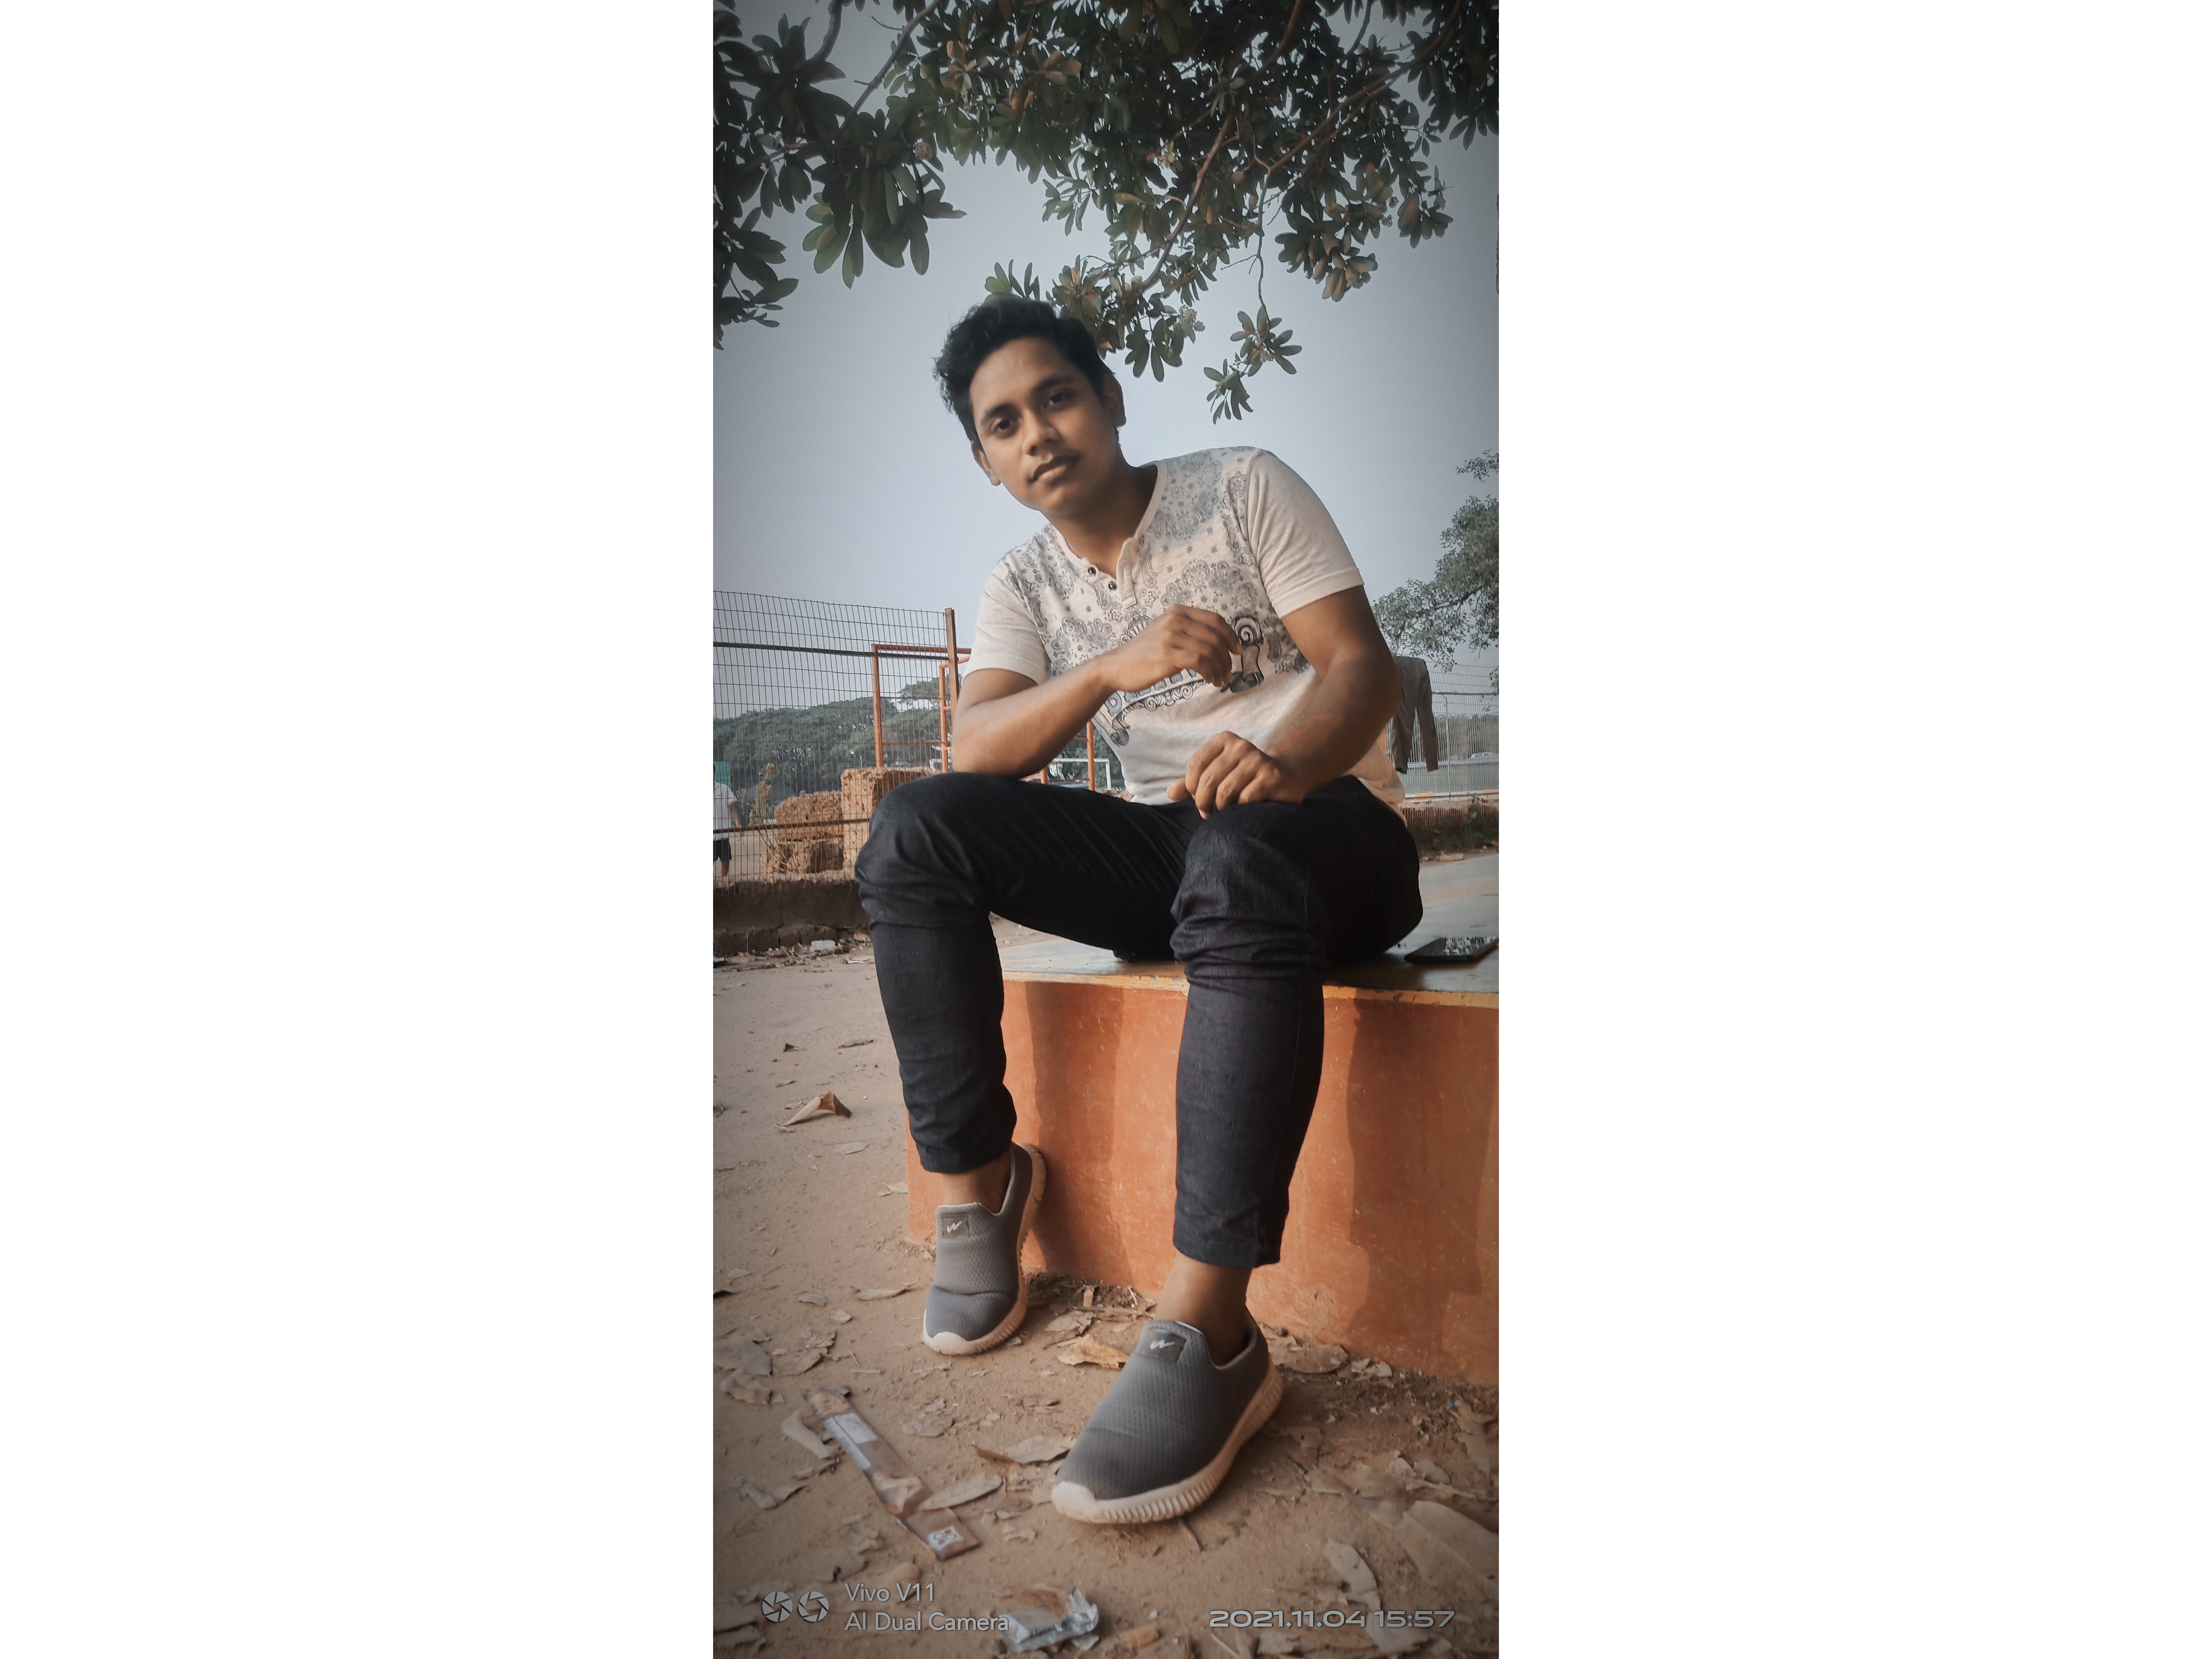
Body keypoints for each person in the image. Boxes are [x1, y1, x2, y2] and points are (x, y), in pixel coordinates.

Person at [854, 295, 1423, 1526]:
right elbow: (978, 746)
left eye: (1056, 397)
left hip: (1329, 831)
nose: (1038, 434)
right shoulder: (1022, 581)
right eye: (1004, 424)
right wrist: (1114, 664)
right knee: (916, 831)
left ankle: (1210, 1332)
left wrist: (1286, 764)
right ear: (987, 461)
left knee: (1240, 855)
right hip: (1180, 846)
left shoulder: (1243, 484)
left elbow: (1362, 666)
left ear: (1109, 399)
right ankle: (977, 1193)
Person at [713, 774, 737, 880]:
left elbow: (733, 809)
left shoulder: (724, 789)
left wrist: (738, 825)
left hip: (724, 833)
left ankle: (724, 882)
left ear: (715, 774)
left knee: (726, 861)